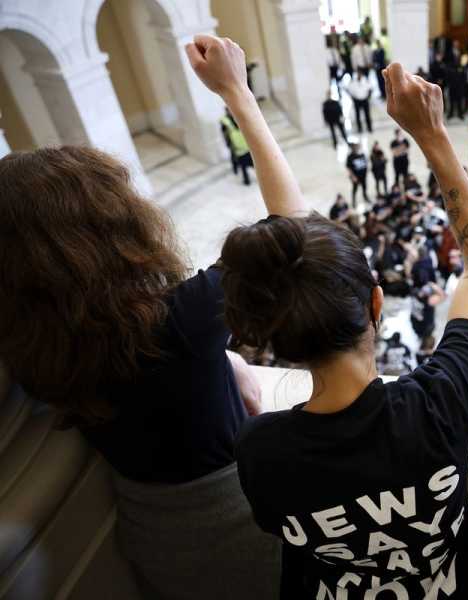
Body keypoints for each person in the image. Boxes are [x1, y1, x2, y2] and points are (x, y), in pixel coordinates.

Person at [0, 34, 307, 599]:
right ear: (115, 224)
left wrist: (221, 362)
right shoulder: (179, 320)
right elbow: (294, 228)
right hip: (247, 536)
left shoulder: (32, 345)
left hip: (155, 548)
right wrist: (237, 92)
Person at [232, 62, 468, 598]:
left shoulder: (263, 450)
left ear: (277, 340)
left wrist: (240, 97)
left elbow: (302, 270)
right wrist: (432, 135)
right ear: (376, 303)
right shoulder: (436, 406)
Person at [221, 109, 254, 185]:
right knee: (243, 163)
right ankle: (245, 178)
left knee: (244, 162)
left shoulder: (233, 118)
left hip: (241, 144)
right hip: (239, 144)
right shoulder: (228, 120)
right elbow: (225, 134)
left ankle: (245, 178)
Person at [346, 68, 373, 133]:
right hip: (357, 100)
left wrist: (368, 97)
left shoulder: (365, 80)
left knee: (367, 115)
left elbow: (370, 88)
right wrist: (353, 98)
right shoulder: (353, 81)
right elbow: (349, 90)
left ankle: (369, 128)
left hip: (364, 99)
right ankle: (360, 128)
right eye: (358, 73)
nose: (359, 75)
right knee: (358, 115)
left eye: (360, 73)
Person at [346, 141, 369, 206]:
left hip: (363, 176)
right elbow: (349, 168)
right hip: (355, 177)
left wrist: (366, 172)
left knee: (364, 187)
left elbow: (365, 163)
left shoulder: (362, 154)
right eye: (355, 147)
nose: (357, 148)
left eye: (358, 147)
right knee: (355, 189)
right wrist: (353, 177)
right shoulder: (350, 157)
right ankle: (353, 201)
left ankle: (365, 197)